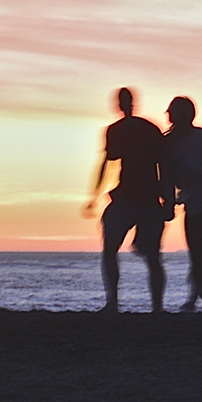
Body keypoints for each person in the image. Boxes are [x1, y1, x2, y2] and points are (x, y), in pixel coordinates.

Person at [83, 87, 168, 313]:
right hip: (133, 197)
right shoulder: (142, 129)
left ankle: (136, 304)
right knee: (124, 252)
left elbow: (163, 165)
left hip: (143, 198)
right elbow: (109, 162)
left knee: (145, 255)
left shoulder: (132, 129)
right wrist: (95, 195)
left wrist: (168, 199)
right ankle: (119, 302)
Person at [164, 96, 202, 313]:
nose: (168, 115)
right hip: (192, 203)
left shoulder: (200, 136)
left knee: (199, 252)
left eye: (172, 111)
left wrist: (179, 193)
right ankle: (195, 298)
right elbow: (168, 176)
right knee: (197, 252)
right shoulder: (169, 141)